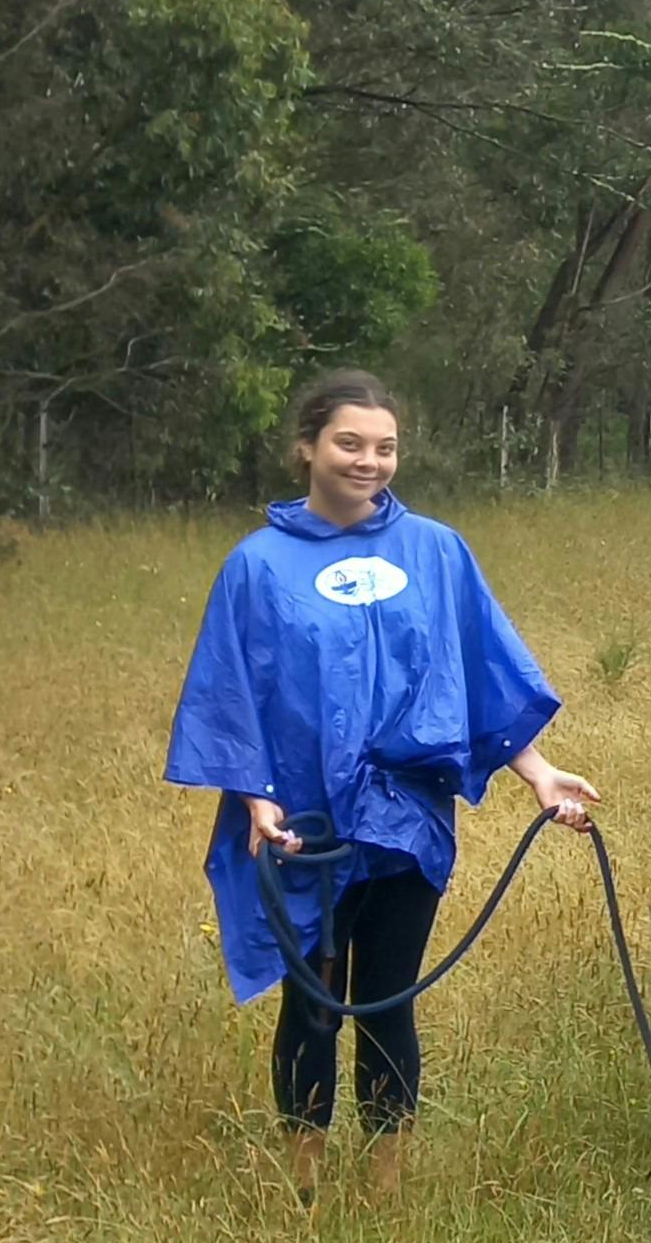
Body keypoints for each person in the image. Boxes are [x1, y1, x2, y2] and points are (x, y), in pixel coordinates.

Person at [165, 370, 600, 1201]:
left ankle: (387, 1181)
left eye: (385, 446)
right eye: (350, 443)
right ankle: (303, 1180)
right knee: (314, 1005)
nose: (369, 461)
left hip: (406, 823)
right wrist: (255, 795)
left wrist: (540, 776)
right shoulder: (256, 567)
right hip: (305, 827)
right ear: (308, 448)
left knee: (388, 998)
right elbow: (232, 690)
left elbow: (481, 672)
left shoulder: (436, 551)